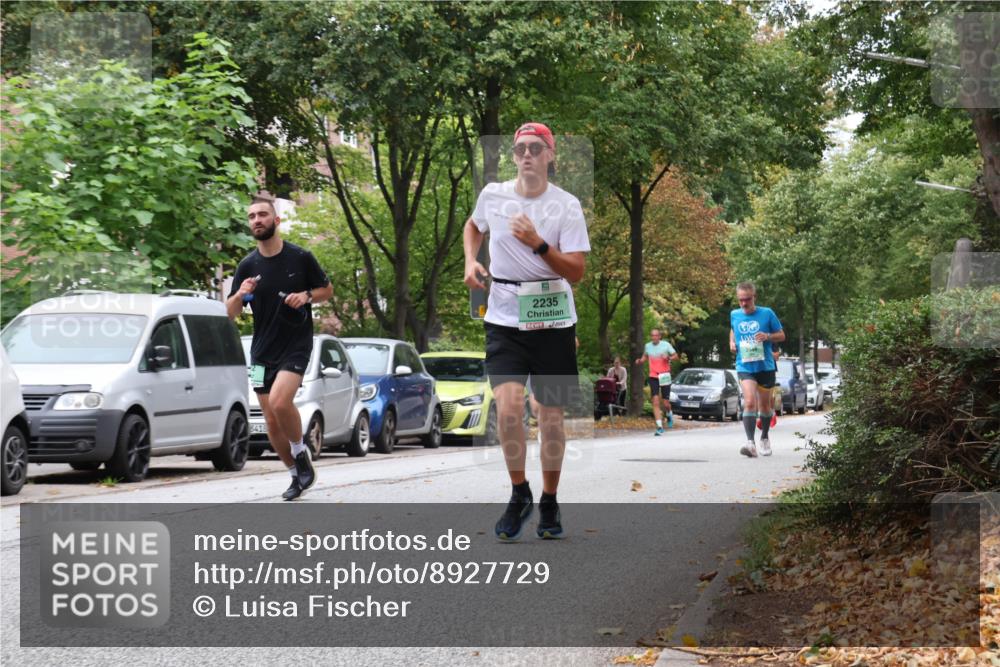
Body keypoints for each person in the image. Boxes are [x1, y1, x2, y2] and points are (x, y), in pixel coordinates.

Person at [463, 121, 590, 541]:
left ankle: (549, 500)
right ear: (513, 156)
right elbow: (473, 226)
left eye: (536, 148)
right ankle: (520, 492)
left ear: (551, 155)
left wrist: (537, 243)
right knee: (509, 407)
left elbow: (577, 271)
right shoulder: (493, 195)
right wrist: (470, 261)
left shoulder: (566, 205)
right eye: (520, 149)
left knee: (550, 416)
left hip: (553, 319)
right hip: (504, 317)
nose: (527, 155)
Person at [227, 198, 333, 500]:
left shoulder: (300, 257)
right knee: (270, 419)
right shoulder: (247, 266)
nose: (256, 220)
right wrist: (240, 294)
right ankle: (296, 475)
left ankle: (300, 452)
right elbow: (230, 312)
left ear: (276, 220)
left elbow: (327, 290)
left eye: (262, 214)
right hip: (261, 352)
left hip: (296, 345)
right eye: (251, 216)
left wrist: (306, 296)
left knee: (279, 401)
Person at [728, 281, 785, 458]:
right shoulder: (734, 314)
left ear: (754, 297)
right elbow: (733, 329)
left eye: (747, 299)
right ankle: (750, 443)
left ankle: (765, 437)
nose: (744, 303)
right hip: (745, 366)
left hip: (765, 366)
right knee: (750, 402)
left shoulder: (767, 313)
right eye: (740, 300)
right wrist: (731, 342)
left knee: (765, 407)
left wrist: (767, 336)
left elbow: (782, 335)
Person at [635, 328, 679, 435]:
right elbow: (645, 356)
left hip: (664, 375)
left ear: (659, 336)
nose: (654, 337)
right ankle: (659, 427)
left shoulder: (666, 345)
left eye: (656, 335)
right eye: (652, 335)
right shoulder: (648, 346)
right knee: (655, 401)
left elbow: (676, 356)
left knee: (666, 403)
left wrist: (668, 357)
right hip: (653, 376)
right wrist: (640, 361)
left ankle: (669, 413)